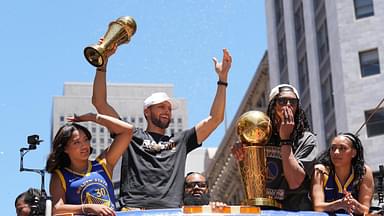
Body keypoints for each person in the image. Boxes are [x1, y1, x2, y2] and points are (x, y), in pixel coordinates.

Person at [92, 47, 232, 209]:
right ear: (147, 111)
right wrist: (102, 63)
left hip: (170, 211)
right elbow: (99, 102)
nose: (166, 111)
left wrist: (223, 79)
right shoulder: (130, 135)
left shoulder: (181, 140)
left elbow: (215, 119)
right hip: (135, 210)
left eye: (169, 108)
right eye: (161, 107)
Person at [232, 84, 318, 210]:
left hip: (295, 210)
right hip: (264, 209)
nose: (288, 105)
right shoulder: (260, 135)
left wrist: (285, 139)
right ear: (273, 106)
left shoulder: (306, 139)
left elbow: (295, 182)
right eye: (282, 101)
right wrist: (241, 150)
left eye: (293, 102)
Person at [46, 113, 133, 216]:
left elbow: (127, 131)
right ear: (65, 148)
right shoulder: (60, 175)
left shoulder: (103, 164)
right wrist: (88, 208)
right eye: (76, 142)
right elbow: (57, 209)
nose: (84, 146)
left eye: (86, 140)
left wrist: (93, 117)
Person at [311, 133, 374, 215]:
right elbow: (317, 207)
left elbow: (365, 210)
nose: (336, 152)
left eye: (342, 148)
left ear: (353, 153)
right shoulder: (321, 171)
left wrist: (354, 204)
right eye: (333, 148)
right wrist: (340, 204)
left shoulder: (364, 172)